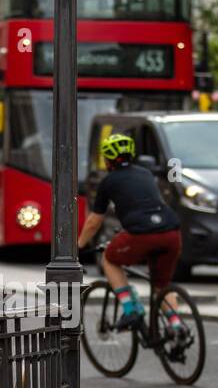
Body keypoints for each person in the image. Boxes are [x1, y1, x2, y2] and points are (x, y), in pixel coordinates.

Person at [76, 133, 185, 333]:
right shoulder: (145, 173)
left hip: (142, 233)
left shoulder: (108, 182)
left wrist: (79, 245)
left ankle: (129, 308)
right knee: (161, 285)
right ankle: (176, 326)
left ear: (108, 159)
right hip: (171, 231)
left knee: (110, 259)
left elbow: (95, 220)